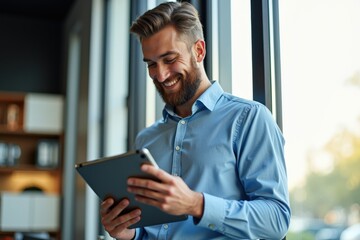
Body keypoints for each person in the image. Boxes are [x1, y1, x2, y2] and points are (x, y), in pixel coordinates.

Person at [100, 2, 291, 239]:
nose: (160, 74)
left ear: (199, 51)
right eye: (151, 64)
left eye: (169, 59)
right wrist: (127, 232)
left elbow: (276, 220)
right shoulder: (146, 139)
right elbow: (150, 232)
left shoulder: (249, 118)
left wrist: (196, 204)